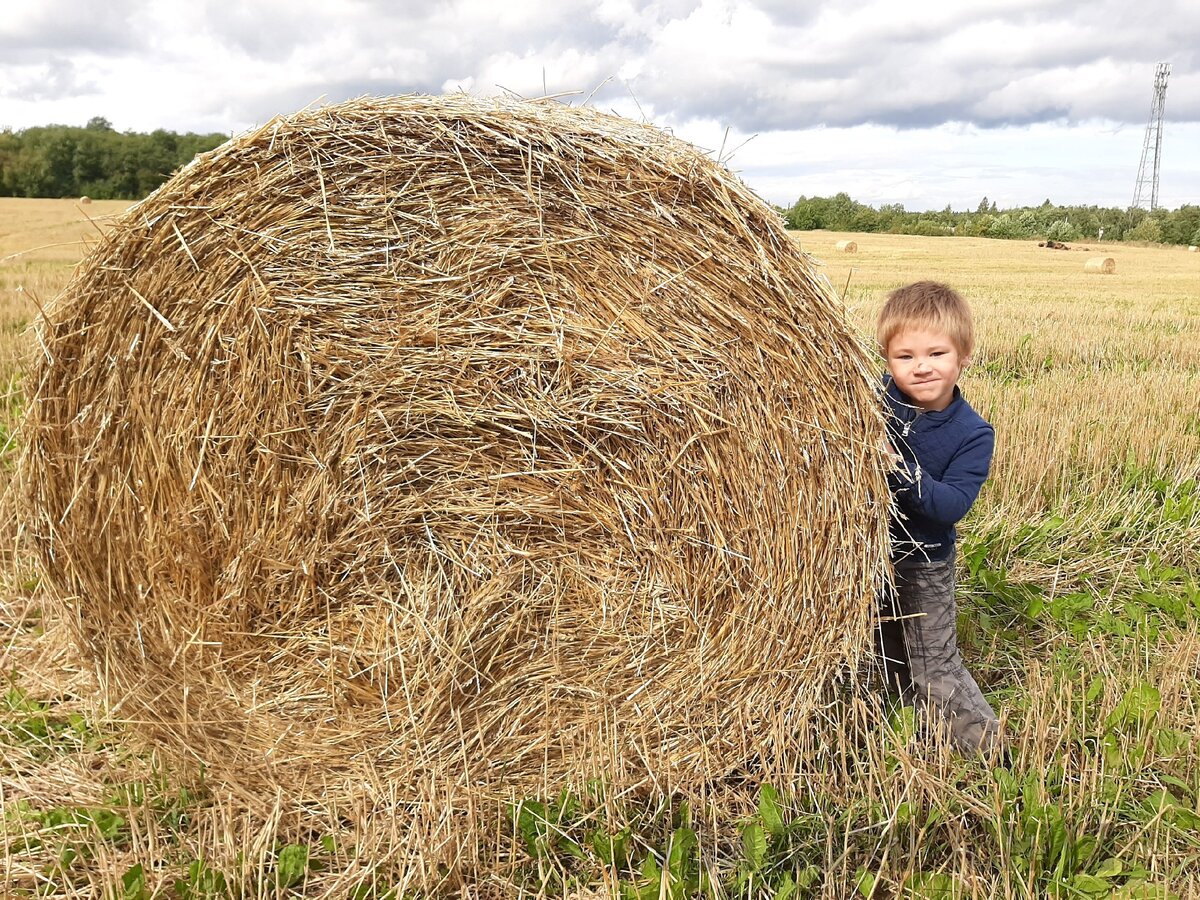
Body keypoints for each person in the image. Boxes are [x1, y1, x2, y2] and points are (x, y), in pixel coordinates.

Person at [874, 281, 1004, 757]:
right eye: (904, 357)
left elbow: (950, 505)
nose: (921, 366)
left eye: (936, 353)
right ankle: (901, 724)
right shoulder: (874, 404)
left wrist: (898, 469)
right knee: (882, 650)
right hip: (865, 555)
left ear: (963, 356)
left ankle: (986, 749)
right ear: (887, 359)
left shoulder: (972, 433)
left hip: (924, 563)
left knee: (934, 662)